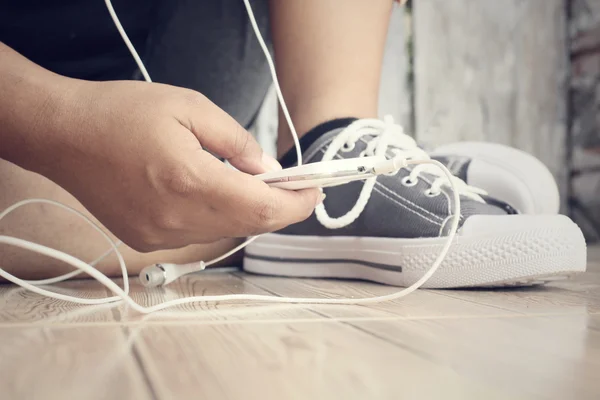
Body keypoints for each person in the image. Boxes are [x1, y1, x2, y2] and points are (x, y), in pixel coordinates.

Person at [0, 0, 586, 287]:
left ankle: (329, 142)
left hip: (192, 48)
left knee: (321, 134)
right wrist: (58, 122)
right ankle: (281, 219)